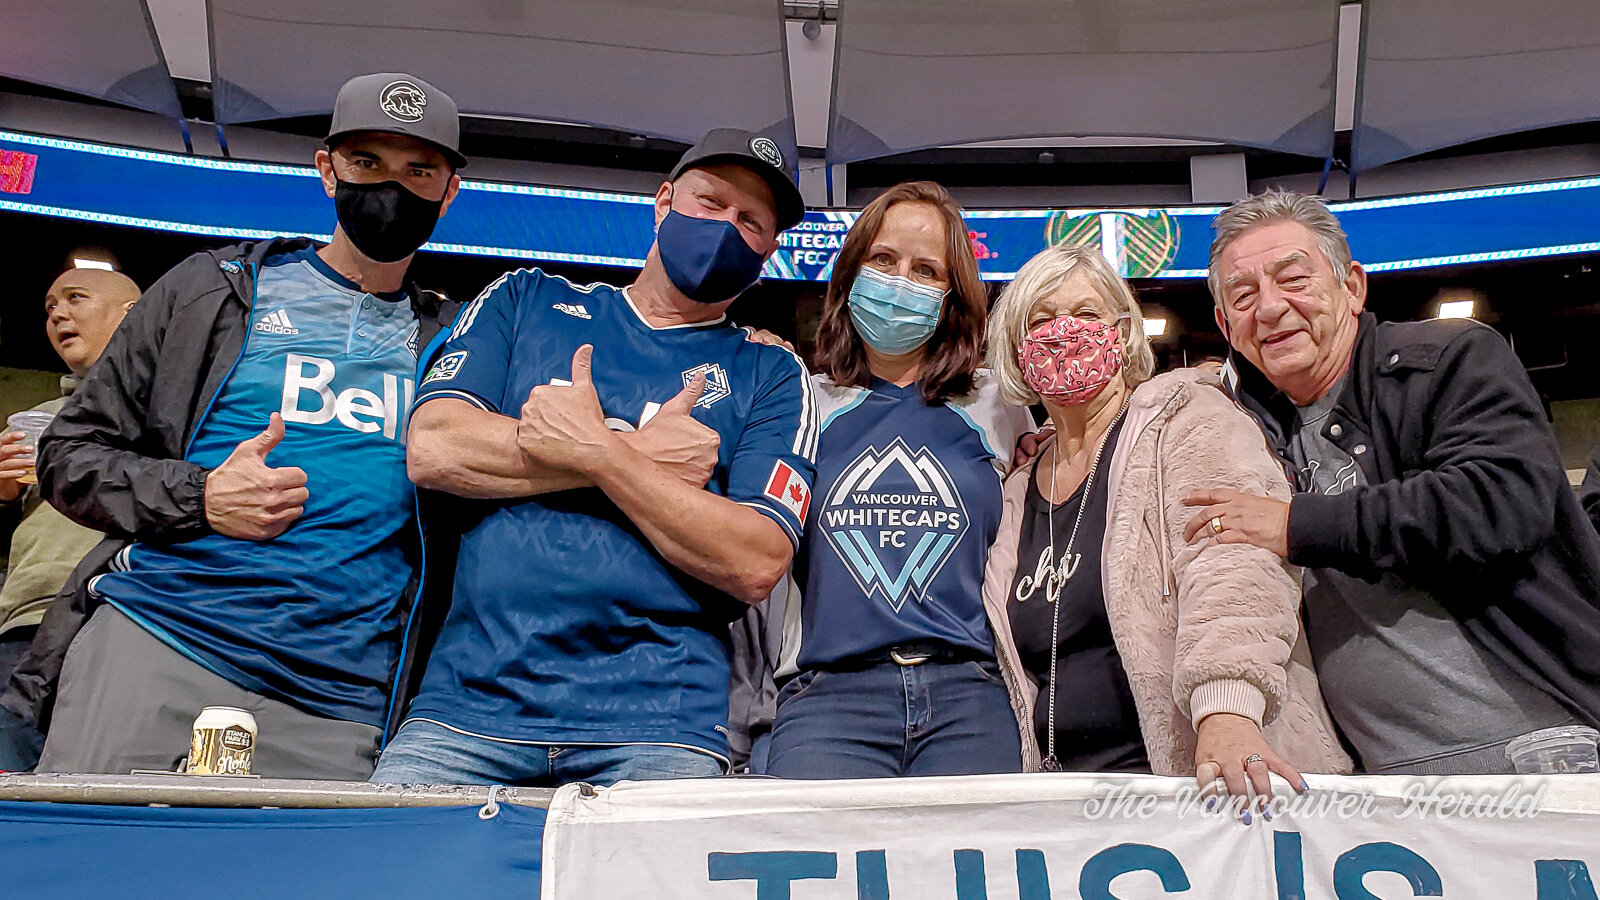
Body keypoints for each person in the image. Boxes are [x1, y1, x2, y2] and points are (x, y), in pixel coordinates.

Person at [20, 72, 467, 779]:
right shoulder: (212, 289)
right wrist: (202, 496)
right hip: (160, 641)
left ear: (449, 192)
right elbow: (68, 457)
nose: (392, 188)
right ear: (327, 171)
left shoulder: (458, 340)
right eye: (368, 163)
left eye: (420, 170)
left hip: (340, 698)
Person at [370, 128, 817, 787]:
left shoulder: (772, 371)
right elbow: (435, 447)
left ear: (768, 251)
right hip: (464, 713)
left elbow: (755, 561)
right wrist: (630, 456)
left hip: (659, 729)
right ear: (663, 203)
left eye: (750, 220)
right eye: (710, 201)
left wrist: (590, 450)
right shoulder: (525, 299)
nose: (726, 226)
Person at [1191, 189, 1600, 774]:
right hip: (1381, 793)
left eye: (1294, 280)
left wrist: (1295, 524)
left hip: (1538, 757)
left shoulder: (1450, 359)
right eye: (1243, 295)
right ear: (1225, 325)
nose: (1271, 308)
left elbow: (1500, 501)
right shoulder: (1240, 426)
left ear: (1352, 286)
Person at [982, 243, 1350, 807]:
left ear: (1123, 332)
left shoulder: (1188, 419)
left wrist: (1227, 709)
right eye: (1042, 320)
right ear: (1015, 348)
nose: (1065, 332)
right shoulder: (1015, 491)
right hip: (1069, 801)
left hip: (1210, 782)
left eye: (1086, 315)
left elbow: (1235, 564)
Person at [755, 182, 1033, 779]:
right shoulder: (801, 401)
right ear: (851, 272)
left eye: (927, 269)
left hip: (970, 695)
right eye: (883, 260)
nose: (901, 281)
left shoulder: (1000, 404)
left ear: (953, 294)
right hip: (830, 697)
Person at [0, 269, 140, 684]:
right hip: (28, 620)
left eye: (75, 298)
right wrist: (3, 495)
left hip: (131, 615)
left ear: (133, 315)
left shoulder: (177, 410)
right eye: (50, 307)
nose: (58, 313)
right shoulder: (32, 420)